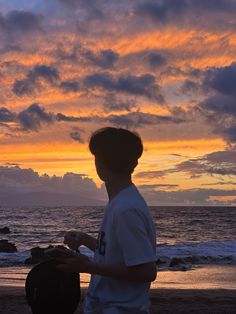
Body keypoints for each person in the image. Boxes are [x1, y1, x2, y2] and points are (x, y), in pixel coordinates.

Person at [58, 127, 157, 314]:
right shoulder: (121, 202)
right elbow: (118, 255)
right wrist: (85, 240)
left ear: (100, 163)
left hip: (120, 308)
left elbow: (147, 271)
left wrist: (88, 266)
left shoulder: (126, 209)